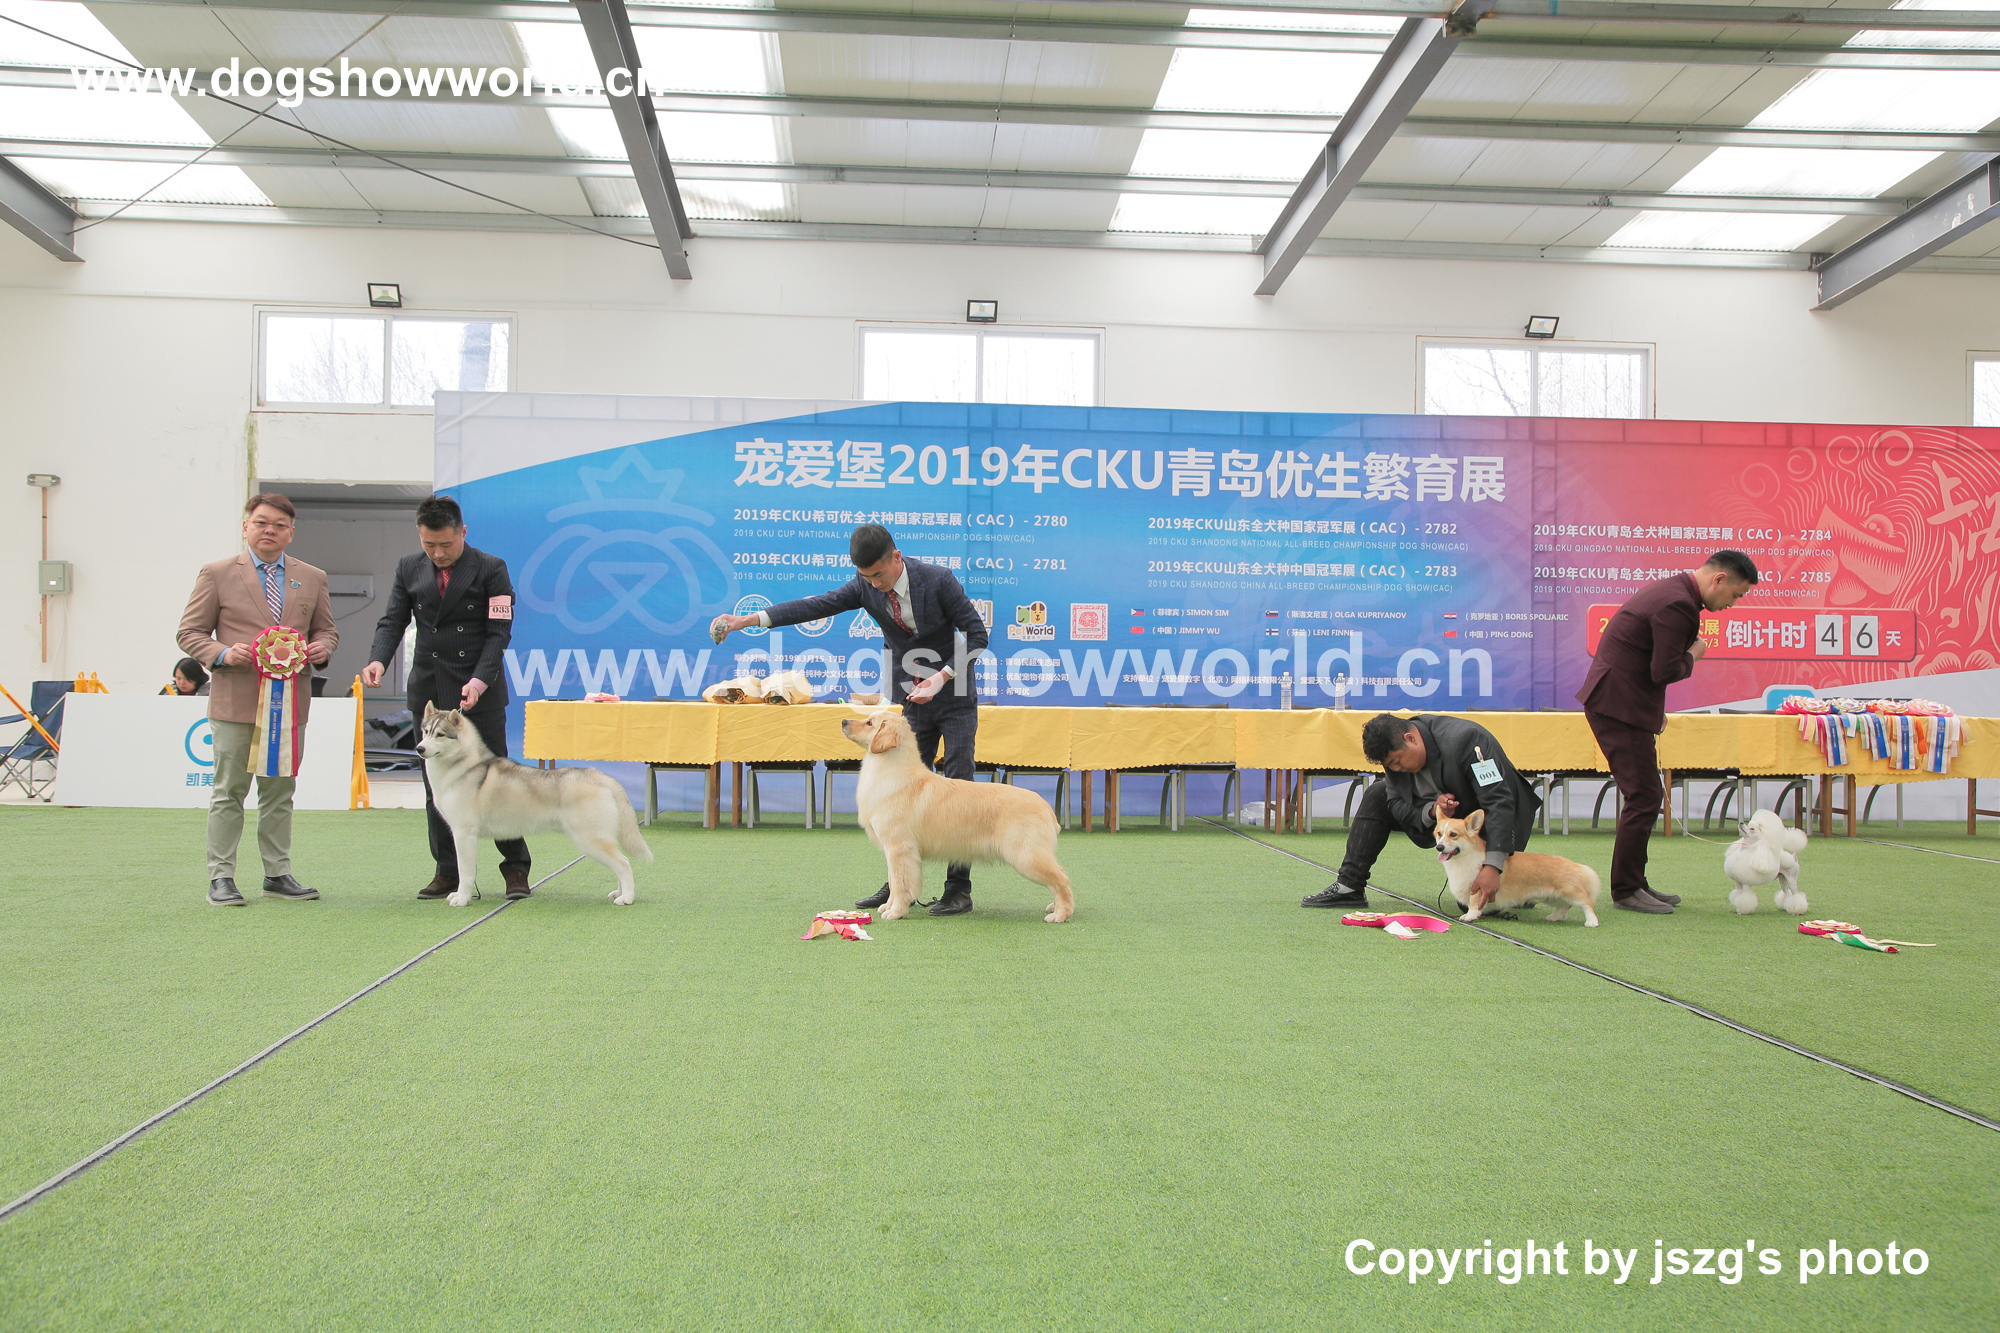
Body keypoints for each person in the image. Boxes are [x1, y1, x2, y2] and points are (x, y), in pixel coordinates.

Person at [711, 523, 989, 916]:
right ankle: (899, 886)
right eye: (865, 577)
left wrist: (941, 677)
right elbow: (814, 606)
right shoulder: (864, 586)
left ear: (896, 558)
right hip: (912, 698)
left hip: (955, 695)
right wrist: (748, 620)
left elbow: (977, 636)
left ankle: (958, 889)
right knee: (900, 792)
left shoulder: (938, 580)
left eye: (878, 575)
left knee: (959, 789)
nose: (873, 584)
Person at [362, 494, 531, 901]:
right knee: (436, 787)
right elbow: (393, 619)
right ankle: (448, 872)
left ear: (463, 532)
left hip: (479, 691)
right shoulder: (409, 567)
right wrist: (378, 659)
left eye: (446, 544)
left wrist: (479, 681)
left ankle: (515, 868)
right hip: (430, 690)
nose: (437, 553)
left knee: (497, 783)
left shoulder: (491, 568)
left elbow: (498, 632)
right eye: (429, 544)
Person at [1576, 550, 1759, 914]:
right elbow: (1664, 670)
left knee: (1645, 795)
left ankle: (1635, 883)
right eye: (1735, 595)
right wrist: (1694, 654)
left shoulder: (1674, 593)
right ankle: (1626, 889)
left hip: (1622, 705)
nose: (1732, 604)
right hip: (1617, 707)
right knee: (1643, 796)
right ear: (1719, 579)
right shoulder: (1678, 604)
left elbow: (1643, 663)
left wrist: (1652, 713)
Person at [176, 493, 337, 907]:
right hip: (234, 702)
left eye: (279, 525)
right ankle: (221, 878)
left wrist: (322, 648)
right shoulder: (216, 573)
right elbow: (189, 632)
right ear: (246, 526)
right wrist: (222, 654)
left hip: (290, 704)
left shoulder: (313, 577)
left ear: (291, 533)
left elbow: (326, 630)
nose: (270, 530)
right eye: (262, 522)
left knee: (280, 793)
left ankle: (277, 873)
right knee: (228, 791)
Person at [1302, 712, 1541, 913]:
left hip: (1499, 817)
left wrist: (1493, 866)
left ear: (1410, 738)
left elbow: (1499, 801)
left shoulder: (1467, 739)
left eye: (1397, 761)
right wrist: (1432, 811)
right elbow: (1395, 804)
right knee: (1377, 793)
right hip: (1447, 824)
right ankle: (1349, 886)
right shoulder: (1393, 756)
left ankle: (1522, 888)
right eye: (1390, 765)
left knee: (1475, 900)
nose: (1396, 768)